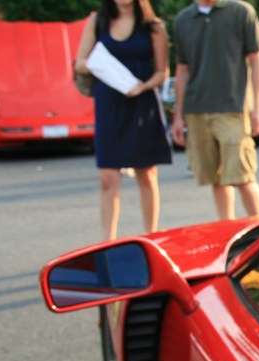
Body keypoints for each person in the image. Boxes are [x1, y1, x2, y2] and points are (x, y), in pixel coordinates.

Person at [75, 0, 172, 241]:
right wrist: (103, 66)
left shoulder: (153, 27)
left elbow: (162, 72)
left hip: (141, 104)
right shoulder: (98, 21)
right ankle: (107, 243)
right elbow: (80, 63)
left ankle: (152, 237)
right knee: (108, 179)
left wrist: (144, 86)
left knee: (147, 176)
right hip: (109, 105)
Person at [172, 0, 259, 220]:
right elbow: (183, 70)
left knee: (243, 175)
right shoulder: (183, 20)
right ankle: (227, 229)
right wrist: (178, 116)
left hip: (233, 108)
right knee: (216, 178)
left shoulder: (241, 12)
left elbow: (257, 60)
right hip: (197, 109)